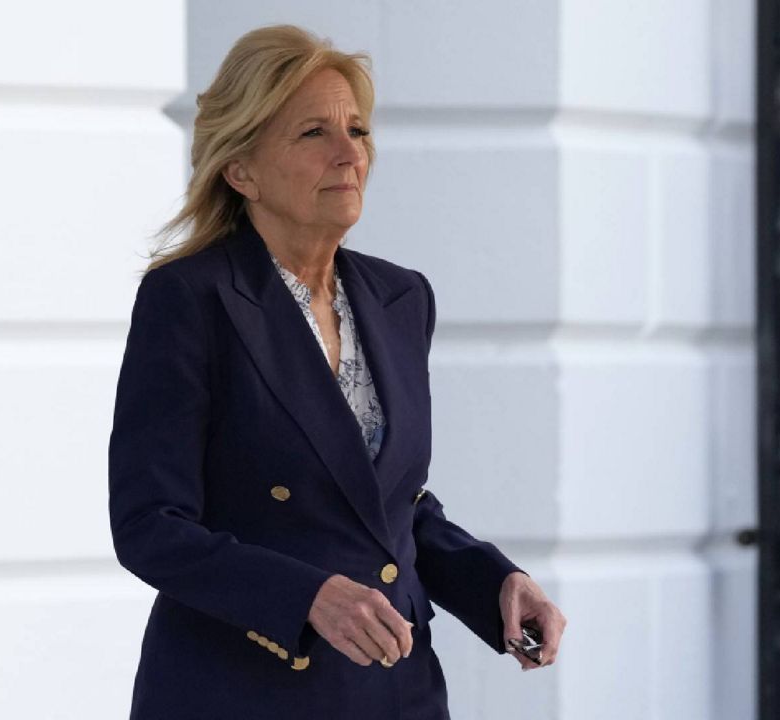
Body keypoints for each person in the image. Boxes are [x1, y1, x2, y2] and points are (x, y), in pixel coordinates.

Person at [108, 24, 565, 720]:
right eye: (314, 134)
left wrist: (494, 581)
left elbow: (388, 506)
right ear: (242, 170)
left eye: (359, 130)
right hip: (243, 690)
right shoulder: (190, 299)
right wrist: (307, 597)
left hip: (394, 690)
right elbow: (150, 524)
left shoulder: (400, 299)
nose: (350, 154)